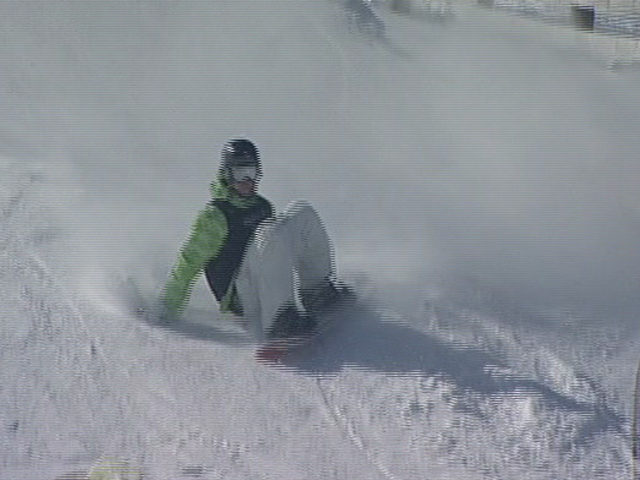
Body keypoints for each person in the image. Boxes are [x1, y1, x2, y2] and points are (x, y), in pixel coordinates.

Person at [161, 138, 351, 341]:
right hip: (240, 296)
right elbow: (188, 263)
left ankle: (316, 292)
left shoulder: (262, 206)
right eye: (239, 173)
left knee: (302, 211)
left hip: (262, 286)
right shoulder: (215, 215)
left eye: (250, 173)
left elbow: (275, 256)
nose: (246, 181)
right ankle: (278, 321)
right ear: (227, 174)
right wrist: (165, 310)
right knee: (270, 231)